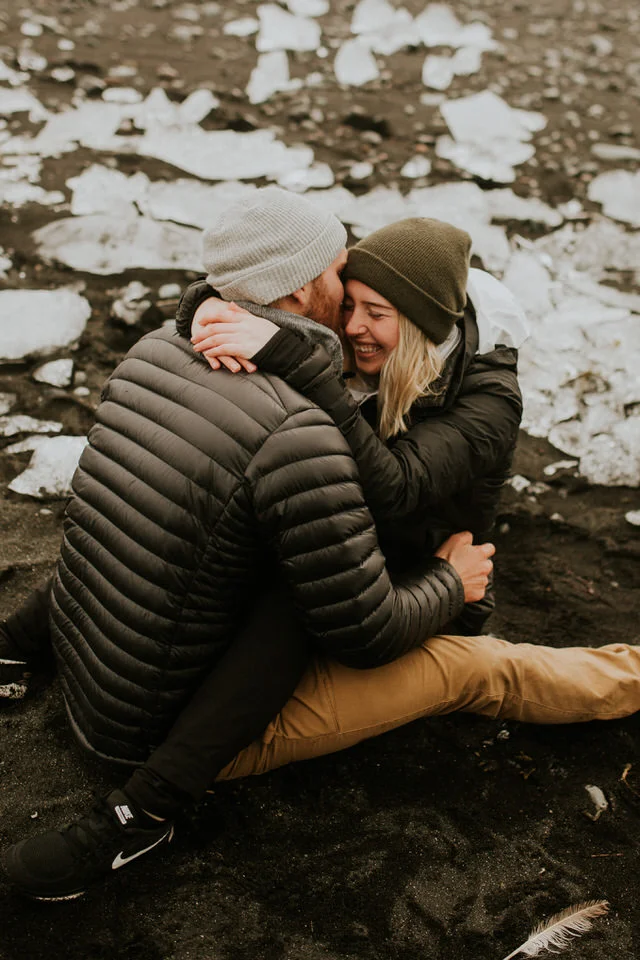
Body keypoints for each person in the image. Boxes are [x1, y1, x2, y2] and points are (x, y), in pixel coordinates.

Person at [1, 187, 493, 901]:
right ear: (300, 290)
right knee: (303, 592)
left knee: (158, 514)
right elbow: (362, 631)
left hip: (84, 658)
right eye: (338, 270)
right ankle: (144, 814)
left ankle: (12, 642)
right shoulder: (299, 430)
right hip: (142, 729)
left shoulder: (155, 349)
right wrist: (451, 582)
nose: (348, 285)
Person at [181, 216, 528, 635]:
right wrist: (206, 301)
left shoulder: (490, 399)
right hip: (345, 572)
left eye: (376, 313)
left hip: (428, 598)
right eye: (349, 305)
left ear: (423, 325)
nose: (351, 326)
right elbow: (288, 295)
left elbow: (397, 487)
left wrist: (297, 363)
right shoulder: (369, 347)